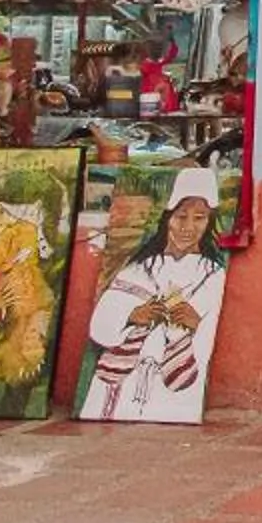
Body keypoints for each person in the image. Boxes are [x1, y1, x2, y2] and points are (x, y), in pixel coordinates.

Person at [78, 166, 229, 422]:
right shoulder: (138, 270)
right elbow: (100, 326)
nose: (188, 227)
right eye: (181, 217)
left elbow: (206, 342)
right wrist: (132, 316)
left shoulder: (212, 276)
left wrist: (194, 324)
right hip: (119, 387)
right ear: (167, 218)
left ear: (209, 222)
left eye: (199, 218)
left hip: (173, 393)